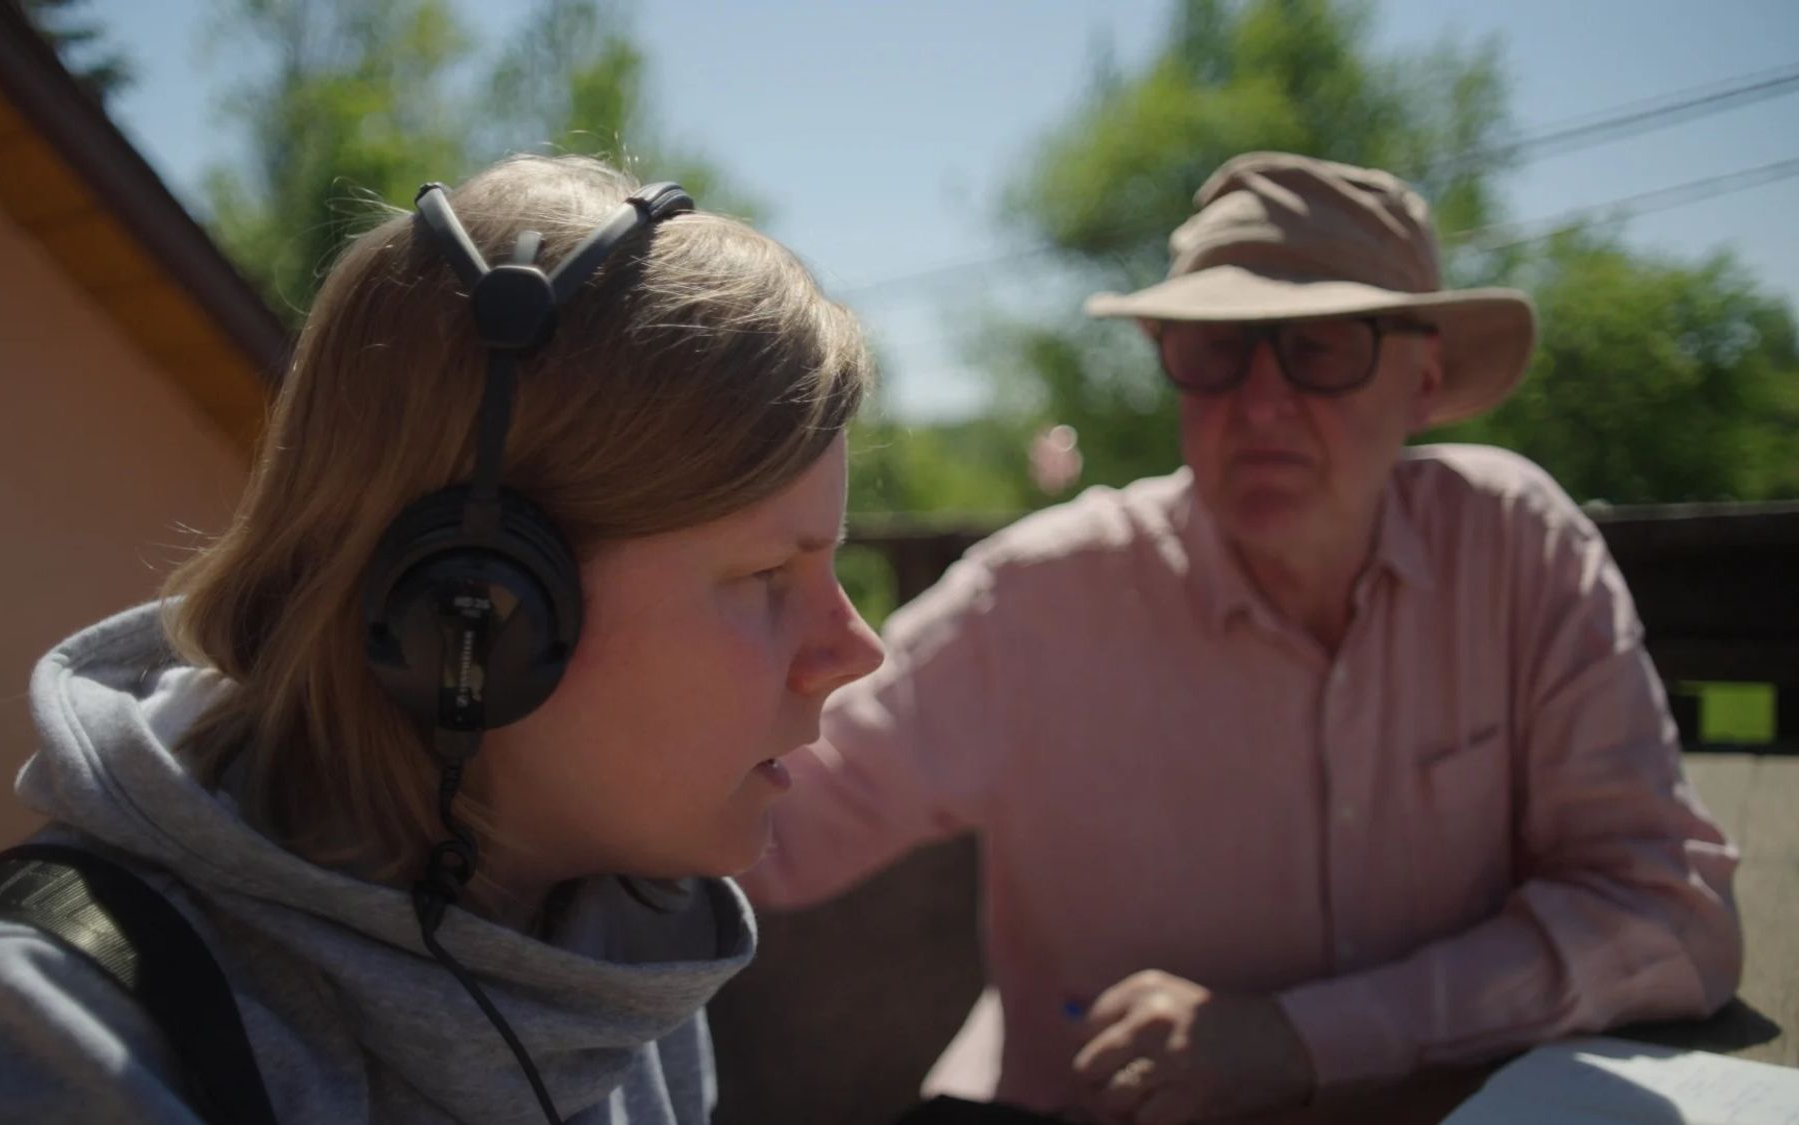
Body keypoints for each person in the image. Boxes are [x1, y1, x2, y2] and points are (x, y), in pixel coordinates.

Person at [0, 154, 885, 1124]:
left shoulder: (618, 960)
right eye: (763, 576)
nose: (853, 648)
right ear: (474, 608)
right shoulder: (36, 1028)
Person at [743, 152, 1742, 1124]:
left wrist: (1297, 1040)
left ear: (1423, 382)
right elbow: (767, 818)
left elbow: (1670, 917)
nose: (1259, 403)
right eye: (1214, 350)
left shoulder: (1514, 554)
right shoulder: (1039, 600)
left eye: (1319, 348)